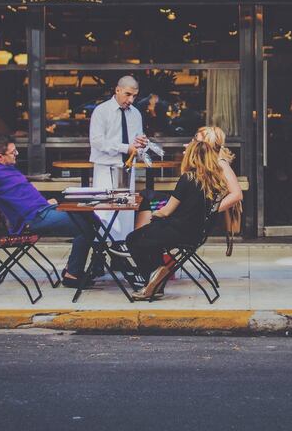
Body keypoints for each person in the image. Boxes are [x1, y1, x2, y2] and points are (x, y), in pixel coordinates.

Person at [0, 134, 95, 289]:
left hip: (43, 209)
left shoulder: (9, 168)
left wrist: (46, 202)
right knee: (87, 224)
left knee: (90, 217)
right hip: (34, 219)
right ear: (0, 157)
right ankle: (72, 274)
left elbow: (22, 195)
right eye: (13, 152)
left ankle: (72, 269)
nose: (17, 154)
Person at [125, 139, 240, 301]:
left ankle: (154, 275)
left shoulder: (188, 178)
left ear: (192, 157)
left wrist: (153, 214)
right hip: (196, 234)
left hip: (178, 232)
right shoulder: (214, 181)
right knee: (152, 239)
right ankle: (156, 283)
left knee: (133, 239)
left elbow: (167, 211)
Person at [89, 75, 147, 239]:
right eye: (128, 94)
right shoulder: (102, 111)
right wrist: (125, 147)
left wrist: (141, 145)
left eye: (134, 96)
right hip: (105, 169)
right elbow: (97, 141)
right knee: (103, 213)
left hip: (127, 170)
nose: (131, 100)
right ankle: (99, 256)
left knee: (125, 214)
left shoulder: (135, 114)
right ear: (117, 90)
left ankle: (119, 257)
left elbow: (137, 142)